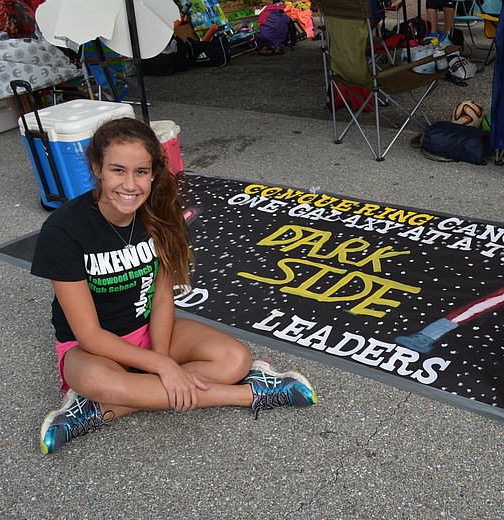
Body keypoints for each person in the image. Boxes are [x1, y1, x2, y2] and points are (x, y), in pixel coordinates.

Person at [31, 117, 317, 455]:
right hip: (90, 350)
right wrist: (165, 369)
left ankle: (95, 410)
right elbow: (89, 334)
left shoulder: (162, 216)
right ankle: (253, 393)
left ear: (153, 173)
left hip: (150, 330)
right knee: (100, 383)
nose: (130, 184)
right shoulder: (63, 230)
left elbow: (163, 298)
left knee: (234, 359)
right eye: (118, 170)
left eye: (141, 171)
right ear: (97, 168)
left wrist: (160, 357)